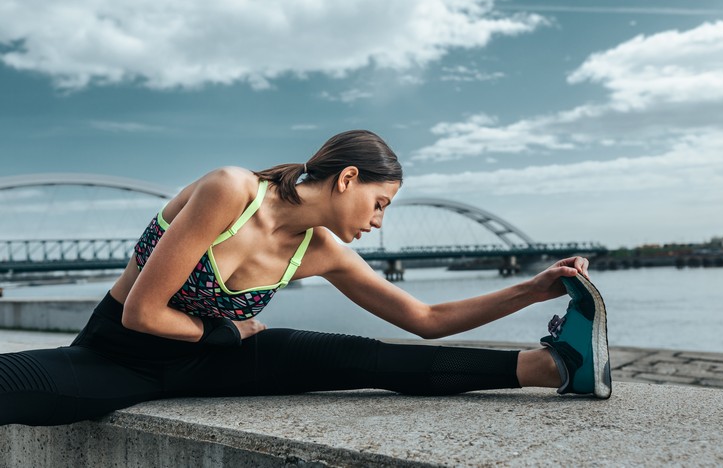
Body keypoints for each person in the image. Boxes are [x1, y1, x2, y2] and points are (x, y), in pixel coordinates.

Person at [0, 130, 611, 427]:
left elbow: (427, 322)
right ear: (347, 179)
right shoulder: (230, 191)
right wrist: (233, 334)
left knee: (372, 362)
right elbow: (142, 313)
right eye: (379, 203)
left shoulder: (322, 251)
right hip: (118, 358)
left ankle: (550, 367)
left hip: (217, 361)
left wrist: (534, 287)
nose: (378, 221)